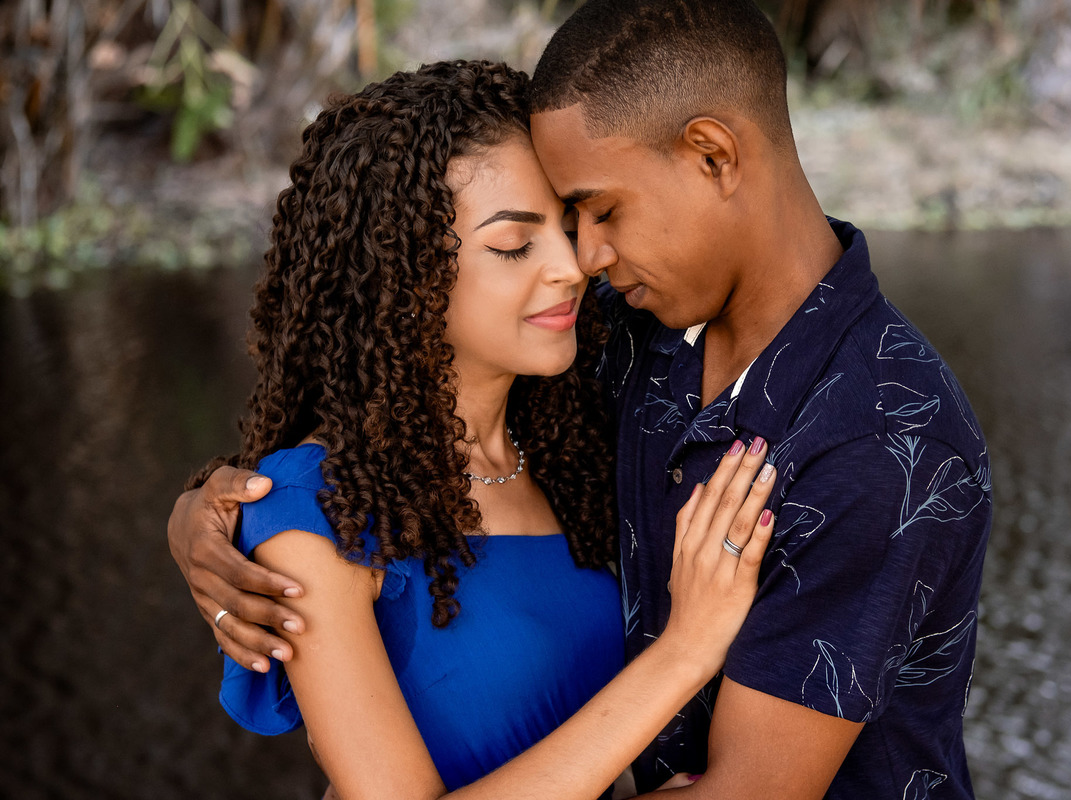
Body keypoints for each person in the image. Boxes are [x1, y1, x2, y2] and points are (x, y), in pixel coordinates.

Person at [171, 1, 993, 797]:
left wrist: (685, 650)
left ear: (713, 156)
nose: (581, 260)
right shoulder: (622, 339)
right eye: (542, 232)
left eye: (596, 213)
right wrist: (207, 515)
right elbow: (366, 427)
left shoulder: (882, 444)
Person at [181, 58, 779, 800]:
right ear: (401, 277)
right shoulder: (314, 512)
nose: (571, 266)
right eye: (512, 244)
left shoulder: (583, 450)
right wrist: (686, 650)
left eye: (568, 227)